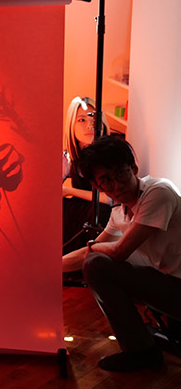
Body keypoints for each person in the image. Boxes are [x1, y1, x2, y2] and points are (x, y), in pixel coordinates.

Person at [62, 135, 181, 372]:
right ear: (97, 186)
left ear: (133, 168)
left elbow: (118, 251)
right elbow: (92, 250)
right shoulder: (120, 211)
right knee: (95, 261)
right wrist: (46, 267)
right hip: (169, 281)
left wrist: (92, 248)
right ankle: (143, 346)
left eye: (121, 174)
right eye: (106, 180)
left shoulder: (158, 192)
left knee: (97, 263)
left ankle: (141, 352)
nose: (117, 185)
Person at [62, 96, 112, 254]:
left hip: (102, 210)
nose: (90, 125)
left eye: (94, 119)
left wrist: (68, 191)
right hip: (79, 210)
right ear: (71, 124)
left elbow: (110, 199)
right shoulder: (68, 158)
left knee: (101, 211)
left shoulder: (111, 152)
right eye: (81, 120)